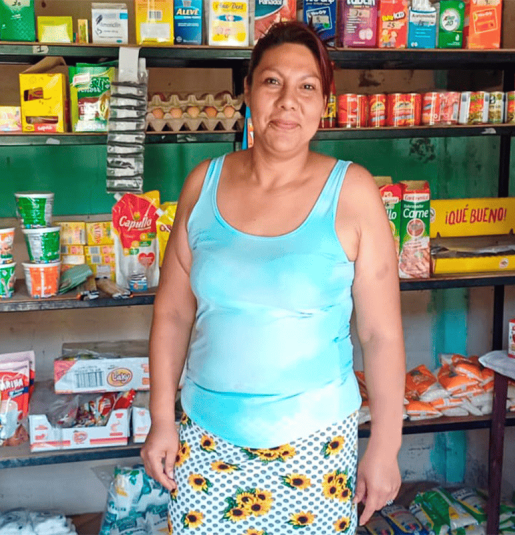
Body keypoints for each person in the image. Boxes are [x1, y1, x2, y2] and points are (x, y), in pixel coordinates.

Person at [140, 21, 406, 534]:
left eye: (307, 86)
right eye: (271, 82)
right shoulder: (204, 183)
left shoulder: (352, 192)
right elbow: (173, 312)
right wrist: (161, 419)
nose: (288, 101)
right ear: (246, 92)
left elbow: (381, 334)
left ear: (324, 102)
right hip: (205, 440)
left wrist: (386, 447)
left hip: (315, 445)